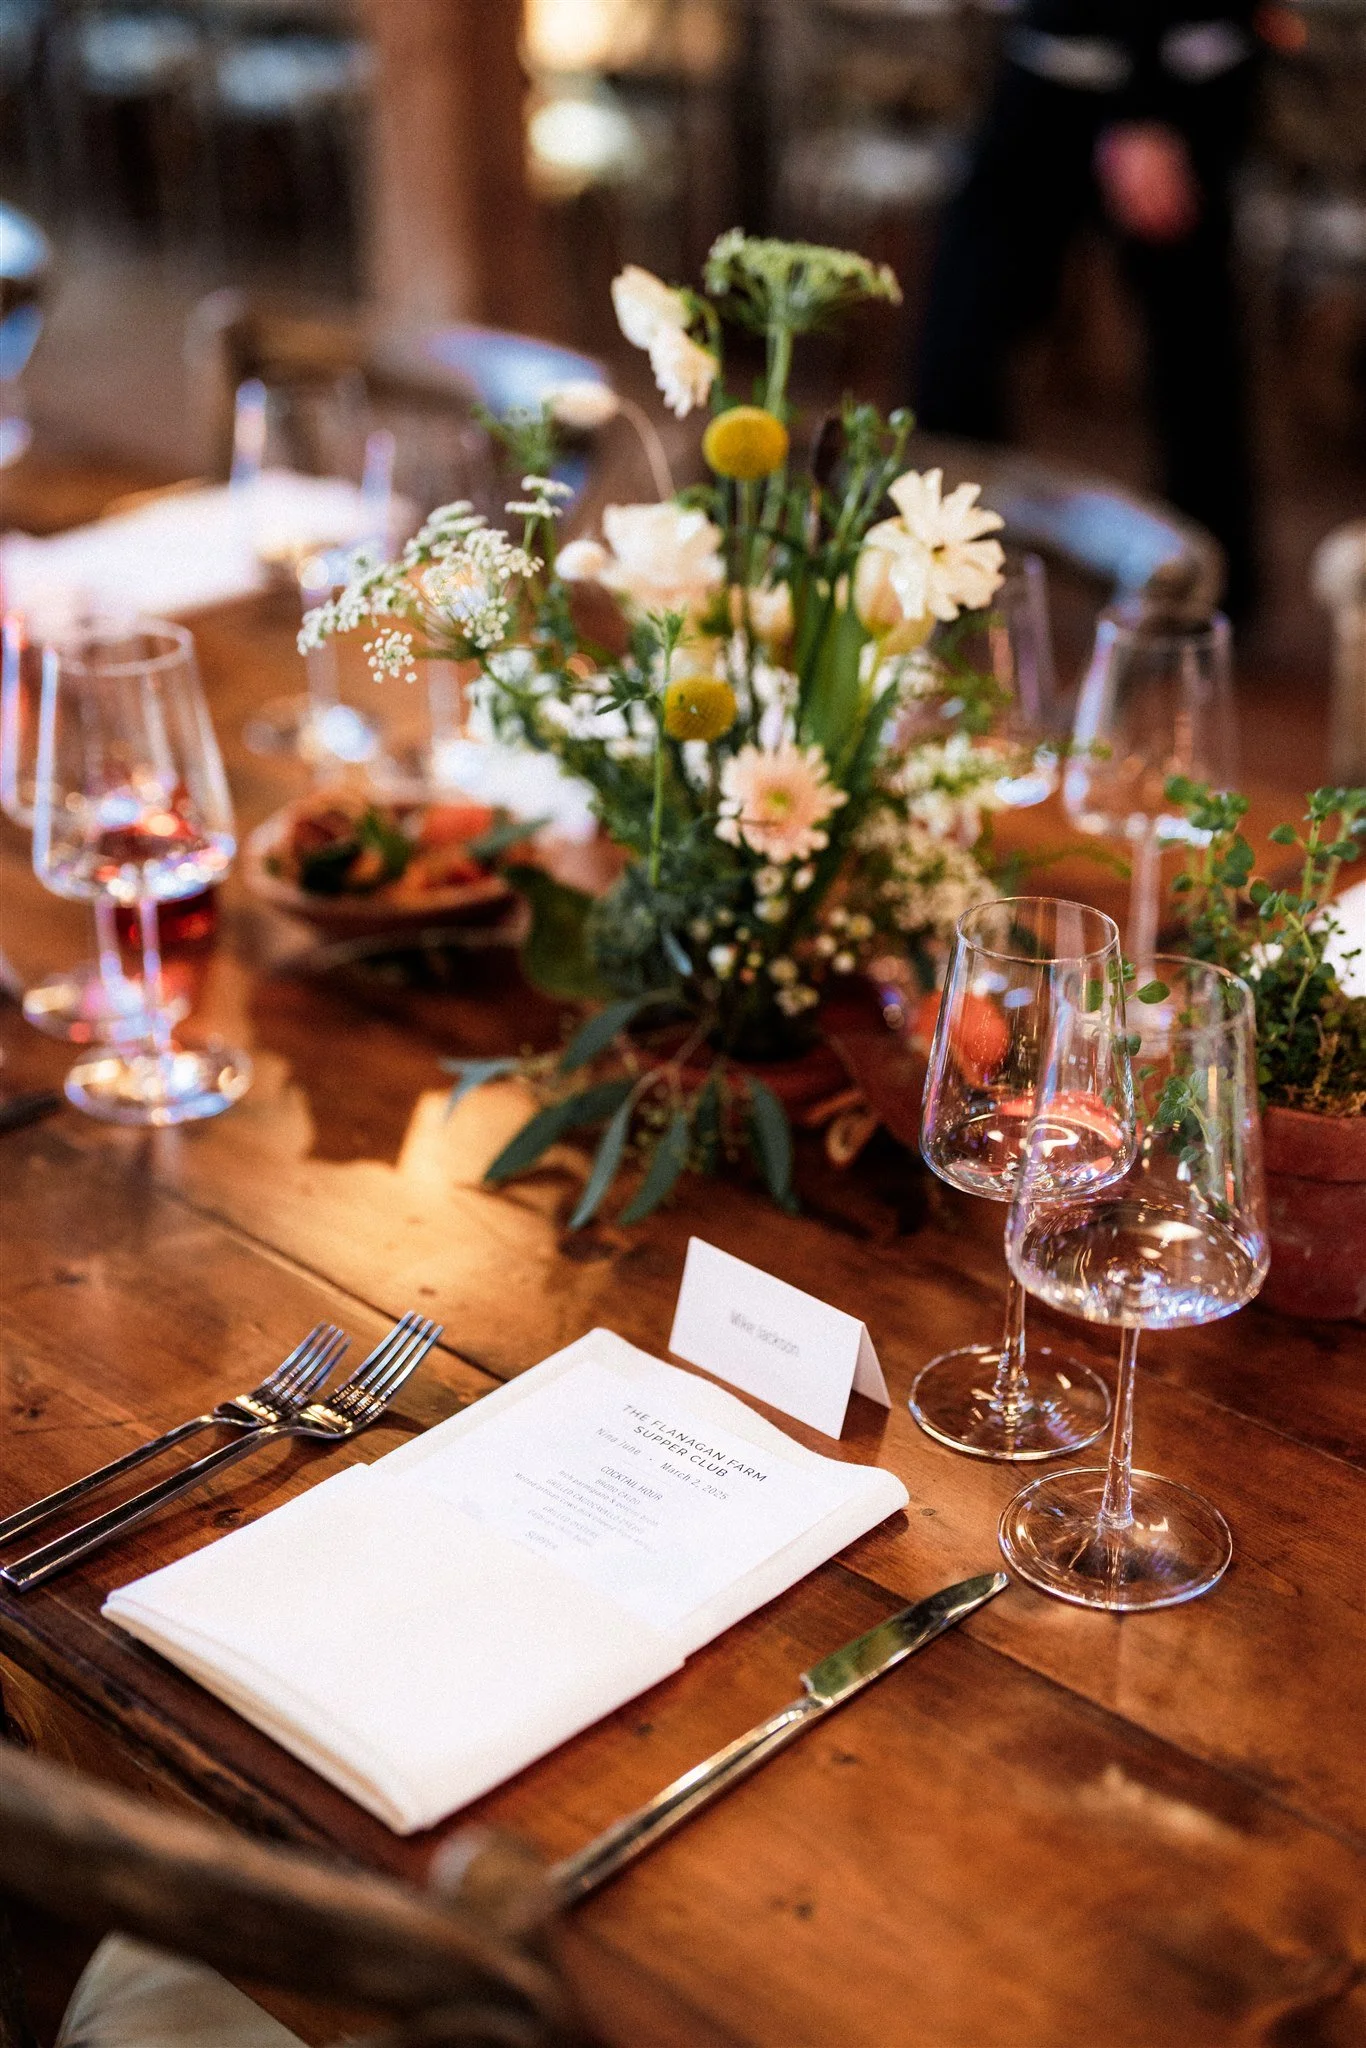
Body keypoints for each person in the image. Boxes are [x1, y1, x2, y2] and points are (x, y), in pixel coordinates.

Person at [916, 1, 1265, 618]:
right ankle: (937, 571)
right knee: (958, 332)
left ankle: (1207, 606)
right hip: (1053, 65)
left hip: (1176, 82)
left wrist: (1146, 110)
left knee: (1193, 347)